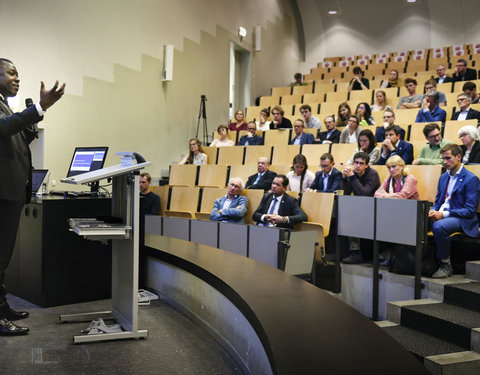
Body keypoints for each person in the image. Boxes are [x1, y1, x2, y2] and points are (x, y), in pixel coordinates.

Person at [0, 58, 65, 335]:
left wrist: (33, 117)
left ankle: (2, 307)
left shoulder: (5, 105)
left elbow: (13, 138)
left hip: (10, 192)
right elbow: (4, 128)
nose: (17, 78)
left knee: (2, 258)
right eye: (12, 73)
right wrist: (40, 107)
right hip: (2, 194)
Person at [429, 143, 480, 278]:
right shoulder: (444, 177)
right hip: (444, 214)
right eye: (443, 159)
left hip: (462, 219)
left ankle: (445, 264)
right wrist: (433, 210)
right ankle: (413, 260)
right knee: (416, 219)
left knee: (439, 226)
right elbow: (438, 200)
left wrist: (444, 214)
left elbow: (470, 210)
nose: (445, 162)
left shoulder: (471, 179)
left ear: (458, 157)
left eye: (448, 158)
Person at [341, 152, 381, 264]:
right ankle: (348, 251)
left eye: (361, 163)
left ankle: (355, 252)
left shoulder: (372, 174)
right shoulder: (352, 173)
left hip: (374, 207)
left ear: (366, 165)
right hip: (360, 207)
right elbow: (346, 193)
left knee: (351, 217)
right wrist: (344, 179)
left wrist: (352, 177)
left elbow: (365, 194)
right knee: (344, 214)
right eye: (356, 163)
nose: (358, 166)